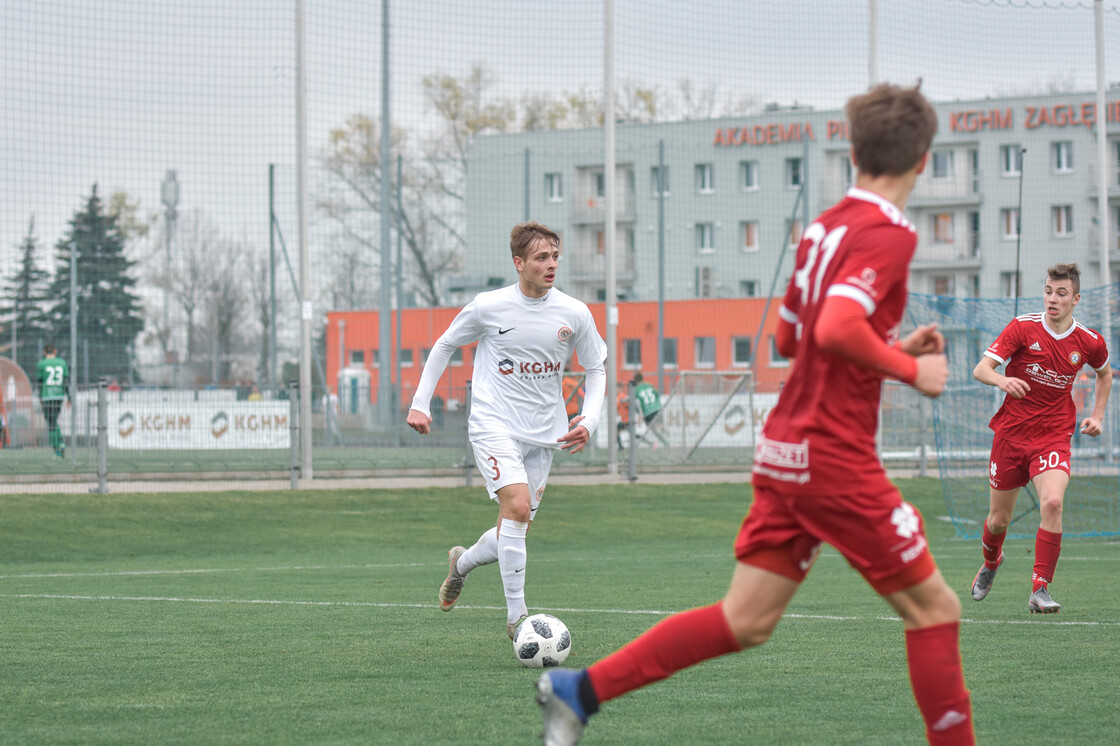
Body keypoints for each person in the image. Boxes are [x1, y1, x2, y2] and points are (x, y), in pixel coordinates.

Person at [536, 83, 974, 746]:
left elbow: (790, 340)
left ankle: (578, 690)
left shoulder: (825, 227)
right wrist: (913, 369)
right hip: (832, 459)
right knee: (935, 609)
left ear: (851, 152)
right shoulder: (889, 234)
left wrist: (886, 347)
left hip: (783, 451)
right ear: (924, 161)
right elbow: (832, 327)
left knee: (746, 620)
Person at [407, 221, 607, 640]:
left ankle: (461, 564)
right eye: (541, 257)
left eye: (554, 256)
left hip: (544, 434)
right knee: (516, 508)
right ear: (519, 263)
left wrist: (589, 420)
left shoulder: (574, 312)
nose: (551, 264)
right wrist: (420, 402)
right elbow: (445, 344)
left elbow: (595, 368)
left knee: (513, 530)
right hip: (493, 423)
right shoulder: (488, 306)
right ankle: (519, 621)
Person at [969, 263, 1110, 614]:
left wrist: (1097, 416)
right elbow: (981, 369)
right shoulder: (1022, 328)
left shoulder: (1089, 341)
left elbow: (1104, 375)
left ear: (1075, 299)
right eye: (1049, 290)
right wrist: (1002, 381)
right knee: (998, 520)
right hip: (1011, 436)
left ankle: (1039, 588)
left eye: (1061, 293)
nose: (1053, 298)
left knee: (1052, 504)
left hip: (1053, 436)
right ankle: (991, 561)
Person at [37, 344, 70, 458]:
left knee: (51, 423)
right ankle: (60, 443)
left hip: (47, 396)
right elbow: (66, 381)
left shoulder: (41, 364)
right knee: (54, 420)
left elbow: (40, 383)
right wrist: (69, 397)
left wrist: (40, 397)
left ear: (44, 352)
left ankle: (57, 448)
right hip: (59, 396)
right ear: (55, 351)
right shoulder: (62, 363)